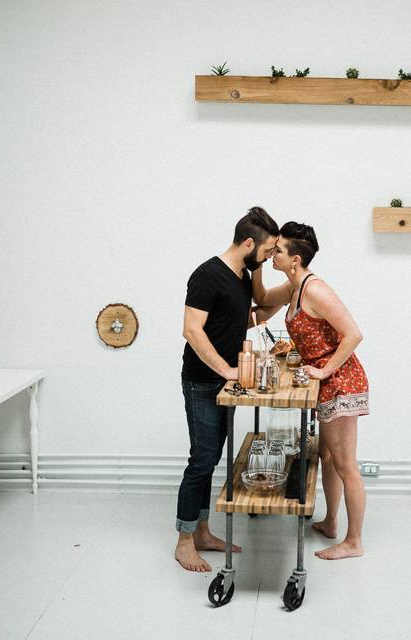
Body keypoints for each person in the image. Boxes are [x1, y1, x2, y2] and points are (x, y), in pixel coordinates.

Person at [252, 221, 369, 560]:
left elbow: (353, 334)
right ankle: (332, 523)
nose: (273, 254)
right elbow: (260, 302)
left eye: (278, 251)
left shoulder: (315, 289)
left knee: (346, 464)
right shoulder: (294, 287)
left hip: (342, 382)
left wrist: (324, 369)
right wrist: (256, 266)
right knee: (328, 457)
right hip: (326, 385)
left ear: (296, 259)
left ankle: (354, 542)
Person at [175, 206, 281, 572]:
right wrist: (226, 370)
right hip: (203, 381)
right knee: (201, 459)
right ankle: (185, 541)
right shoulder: (207, 275)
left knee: (212, 458)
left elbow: (242, 316)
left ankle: (202, 531)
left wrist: (281, 293)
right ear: (248, 242)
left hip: (224, 384)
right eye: (266, 251)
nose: (268, 257)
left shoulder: (239, 276)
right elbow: (192, 330)